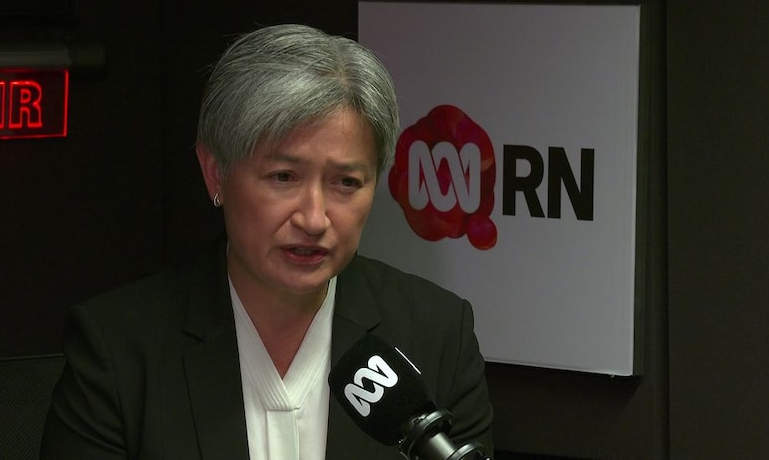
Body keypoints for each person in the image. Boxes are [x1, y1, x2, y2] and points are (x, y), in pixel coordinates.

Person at [40, 23, 493, 459]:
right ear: (215, 171)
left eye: (346, 183)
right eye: (283, 177)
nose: (314, 218)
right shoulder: (120, 350)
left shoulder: (436, 335)